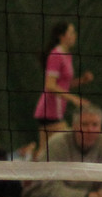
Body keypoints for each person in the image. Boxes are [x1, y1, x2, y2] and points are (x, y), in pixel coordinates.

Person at [33, 22, 92, 158]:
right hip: (49, 110)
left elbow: (64, 85)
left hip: (57, 111)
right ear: (62, 36)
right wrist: (75, 99)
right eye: (71, 32)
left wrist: (82, 80)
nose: (74, 35)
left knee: (44, 151)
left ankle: (32, 168)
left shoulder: (67, 55)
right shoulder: (56, 55)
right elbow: (50, 85)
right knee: (67, 145)